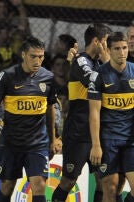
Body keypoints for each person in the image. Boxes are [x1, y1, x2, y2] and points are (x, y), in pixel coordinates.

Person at [0, 36, 59, 202]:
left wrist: (53, 139)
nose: (37, 60)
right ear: (23, 55)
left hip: (37, 143)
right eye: (33, 56)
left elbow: (50, 109)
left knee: (39, 185)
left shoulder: (48, 78)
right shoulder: (7, 75)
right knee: (7, 187)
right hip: (11, 142)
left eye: (41, 56)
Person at [51, 23, 112, 202]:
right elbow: (99, 82)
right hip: (78, 133)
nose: (108, 47)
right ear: (97, 41)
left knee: (102, 181)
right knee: (68, 181)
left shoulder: (96, 63)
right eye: (106, 42)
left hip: (97, 134)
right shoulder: (81, 61)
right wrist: (107, 58)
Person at [88, 31, 134, 202]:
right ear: (109, 50)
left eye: (124, 48)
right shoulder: (98, 75)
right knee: (110, 187)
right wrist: (96, 145)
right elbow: (94, 112)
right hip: (108, 140)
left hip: (131, 140)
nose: (122, 52)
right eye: (117, 48)